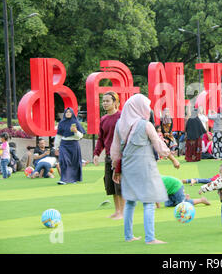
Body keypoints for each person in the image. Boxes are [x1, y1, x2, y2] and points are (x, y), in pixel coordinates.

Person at [111, 94, 180, 244]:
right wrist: (173, 159)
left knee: (130, 201)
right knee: (149, 202)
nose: (148, 109)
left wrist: (116, 169)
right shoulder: (145, 124)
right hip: (144, 165)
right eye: (146, 106)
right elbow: (159, 145)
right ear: (139, 107)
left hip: (127, 167)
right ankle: (150, 238)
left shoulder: (119, 124)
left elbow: (115, 150)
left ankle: (129, 236)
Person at [93, 91, 124, 220]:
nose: (104, 103)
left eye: (107, 101)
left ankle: (123, 212)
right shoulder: (103, 119)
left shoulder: (121, 117)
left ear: (115, 102)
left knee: (120, 185)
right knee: (110, 185)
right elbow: (101, 138)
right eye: (103, 101)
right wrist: (96, 154)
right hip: (108, 156)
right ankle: (117, 211)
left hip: (120, 157)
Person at [55, 107, 86, 185]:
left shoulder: (76, 123)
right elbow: (58, 136)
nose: (68, 113)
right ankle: (64, 179)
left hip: (74, 144)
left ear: (72, 113)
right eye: (66, 112)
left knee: (74, 162)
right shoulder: (62, 123)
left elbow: (80, 136)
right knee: (63, 161)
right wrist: (56, 147)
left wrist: (75, 131)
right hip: (64, 144)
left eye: (70, 112)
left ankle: (73, 179)